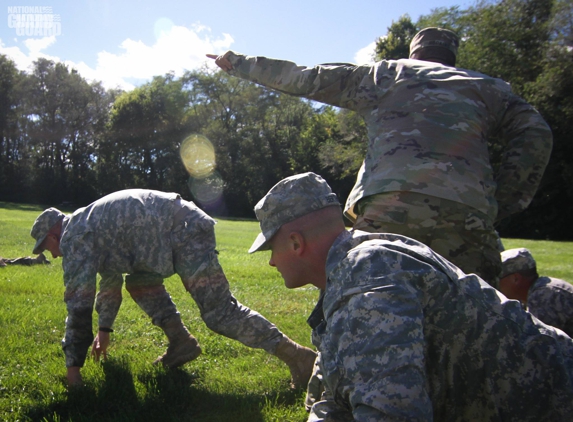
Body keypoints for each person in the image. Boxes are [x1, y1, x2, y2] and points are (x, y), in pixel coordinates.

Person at [207, 27, 553, 286]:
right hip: (469, 215)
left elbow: (304, 78)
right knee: (470, 321)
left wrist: (237, 63)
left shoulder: (385, 74)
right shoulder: (490, 89)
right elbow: (536, 133)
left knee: (366, 304)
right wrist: (502, 200)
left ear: (414, 53)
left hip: (390, 210)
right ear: (451, 57)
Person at [249, 172, 573, 421]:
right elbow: (333, 399)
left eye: (271, 247)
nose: (272, 261)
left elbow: (392, 413)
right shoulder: (351, 273)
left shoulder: (369, 272)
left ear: (295, 243)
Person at [30, 189, 316, 387]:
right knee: (140, 283)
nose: (53, 255)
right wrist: (104, 331)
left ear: (55, 234)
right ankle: (181, 342)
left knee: (219, 312)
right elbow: (110, 282)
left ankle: (299, 357)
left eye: (47, 247)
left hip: (184, 232)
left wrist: (73, 373)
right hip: (180, 227)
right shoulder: (87, 224)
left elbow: (78, 305)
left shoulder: (75, 236)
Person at [500, 247, 573, 337]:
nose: (495, 283)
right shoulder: (535, 292)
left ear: (516, 278)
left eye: (499, 278)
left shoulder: (543, 295)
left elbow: (541, 341)